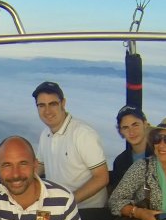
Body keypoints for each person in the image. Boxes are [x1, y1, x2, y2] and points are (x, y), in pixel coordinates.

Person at [32, 81, 109, 209]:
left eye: (53, 104)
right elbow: (39, 166)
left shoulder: (82, 134)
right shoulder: (45, 133)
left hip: (86, 212)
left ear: (63, 103)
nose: (47, 111)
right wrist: (5, 181)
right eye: (41, 105)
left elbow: (102, 177)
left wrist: (68, 202)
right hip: (59, 207)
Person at [111, 104, 153, 185]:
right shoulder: (120, 162)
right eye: (125, 127)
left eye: (135, 125)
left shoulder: (159, 153)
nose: (131, 132)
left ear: (145, 124)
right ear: (121, 131)